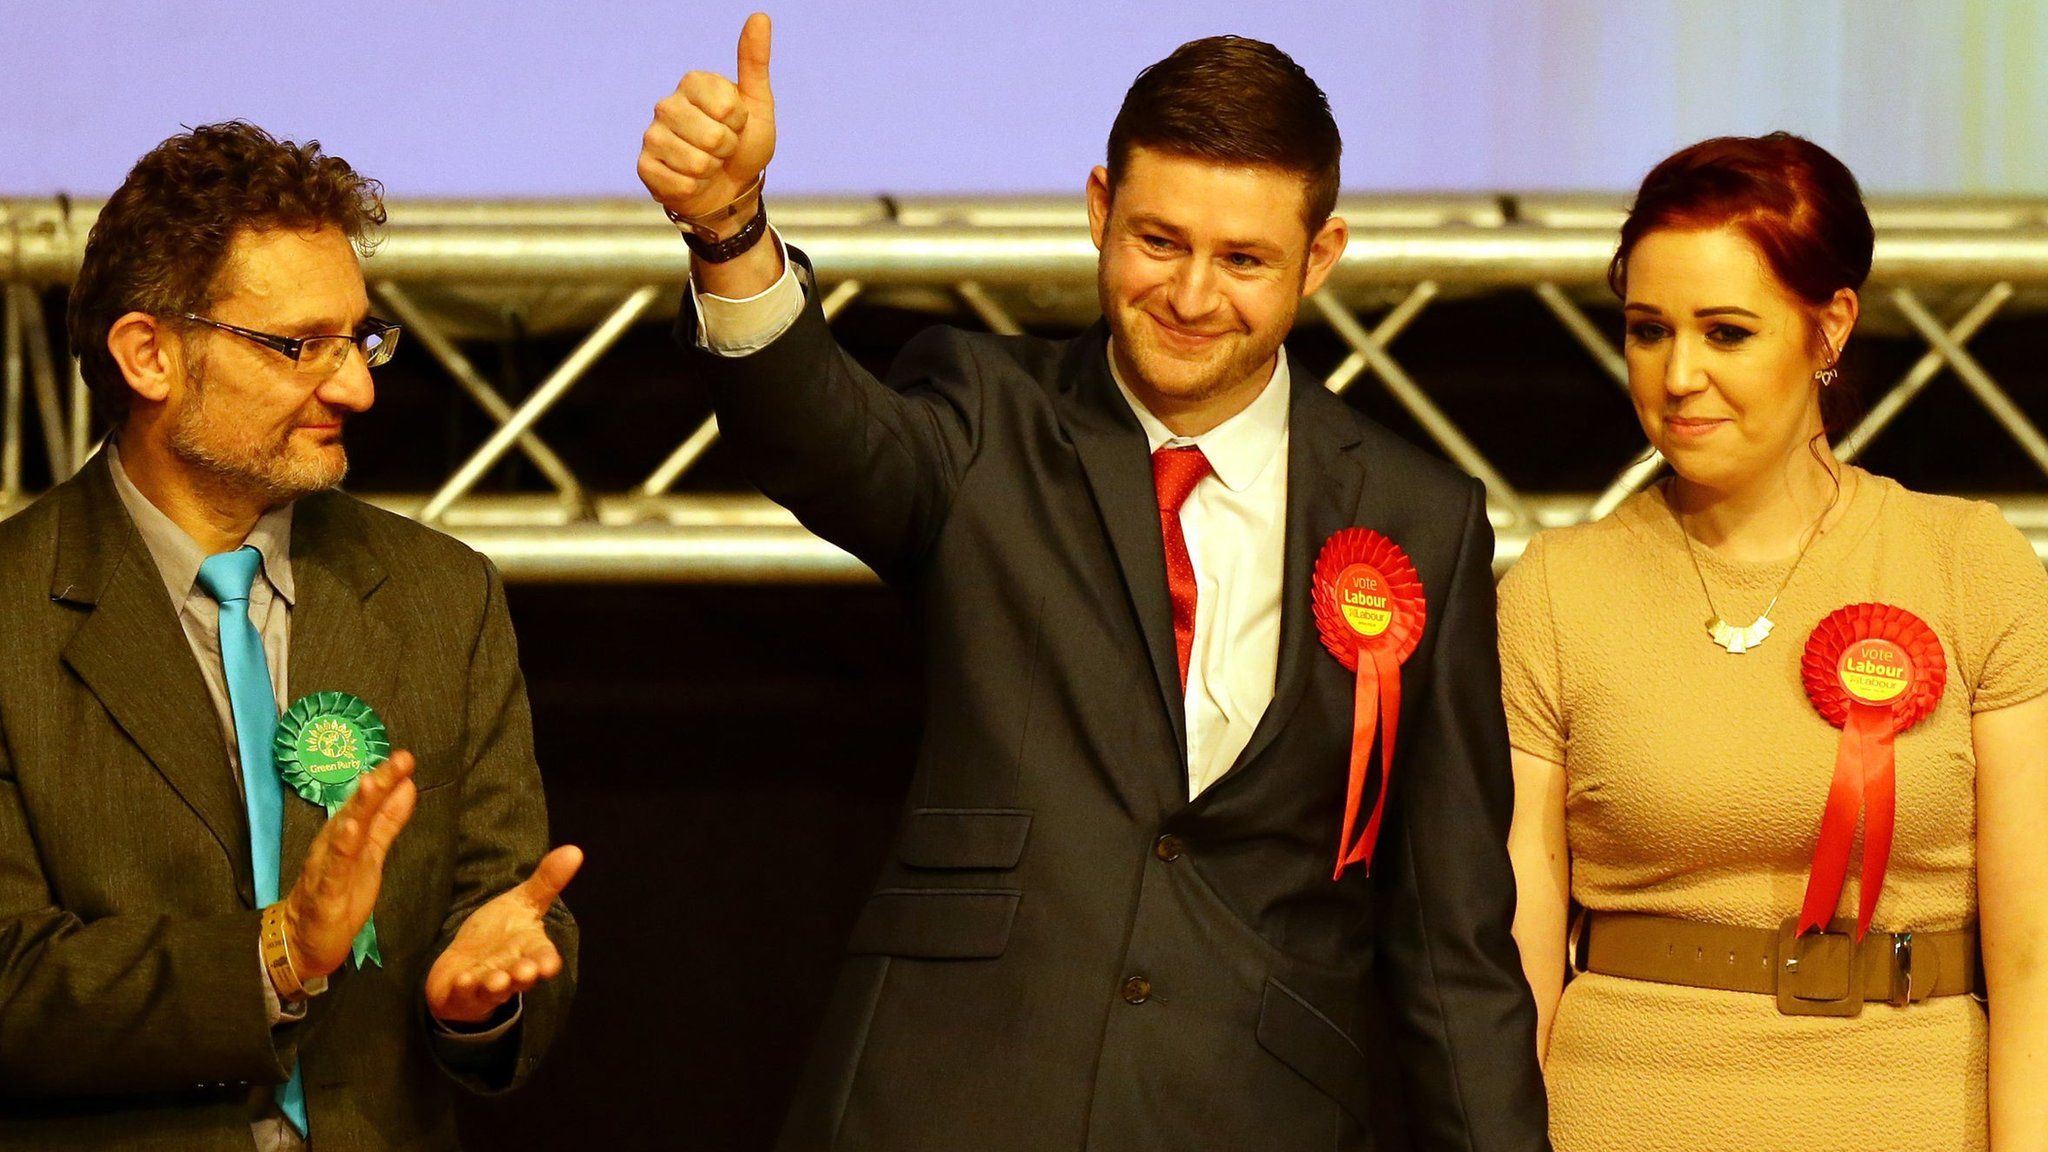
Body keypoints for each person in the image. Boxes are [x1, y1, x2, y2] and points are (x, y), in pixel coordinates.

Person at [639, 15, 1546, 1152]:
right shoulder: (986, 413)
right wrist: (729, 230)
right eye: (1157, 240)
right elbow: (818, 436)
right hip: (952, 1092)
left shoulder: (1420, 520)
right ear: (1096, 209)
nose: (1191, 294)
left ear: (1320, 257)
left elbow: (1450, 937)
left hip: (1251, 1113)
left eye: (1245, 259)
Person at [0, 121, 581, 1150]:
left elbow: (504, 911)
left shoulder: (440, 597)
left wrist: (479, 1002)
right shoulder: (10, 614)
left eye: (360, 339)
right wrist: (271, 957)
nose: (355, 384)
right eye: (299, 346)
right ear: (149, 355)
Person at [1499, 132, 2048, 1152]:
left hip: (1912, 1113)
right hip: (1617, 1117)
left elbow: (2032, 966)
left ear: (1827, 326)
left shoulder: (1973, 568)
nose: (1677, 375)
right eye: (1647, 330)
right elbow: (1514, 968)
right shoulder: (1551, 593)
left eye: (1725, 332)